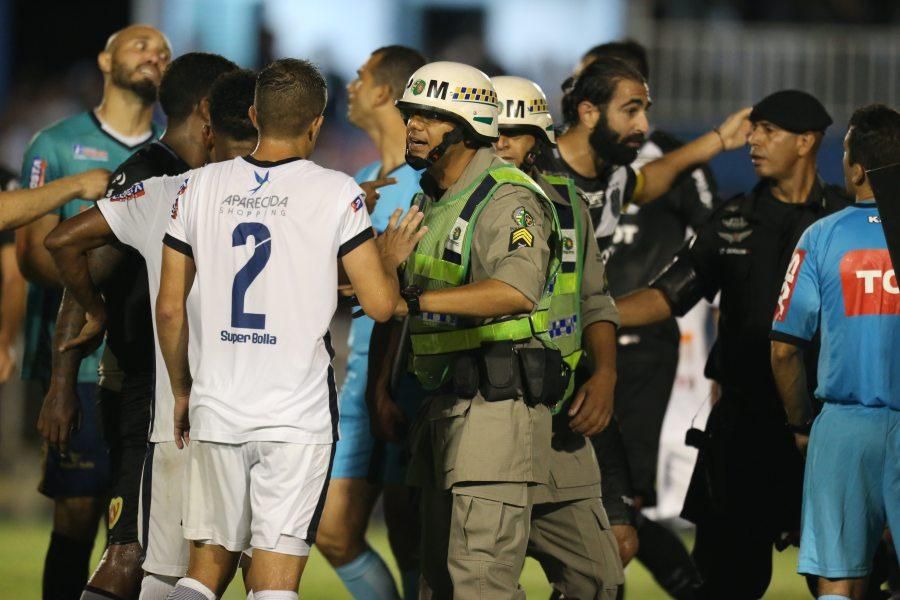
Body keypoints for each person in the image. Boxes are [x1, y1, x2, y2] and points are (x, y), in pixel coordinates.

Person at [156, 58, 423, 600]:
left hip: (217, 407)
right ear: (317, 123)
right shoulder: (338, 192)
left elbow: (169, 308)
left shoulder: (196, 187)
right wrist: (390, 260)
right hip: (296, 419)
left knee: (204, 573)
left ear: (254, 114)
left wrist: (183, 390)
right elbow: (379, 305)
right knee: (274, 582)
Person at [615, 89, 850, 599]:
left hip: (826, 431)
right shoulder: (731, 219)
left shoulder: (848, 221)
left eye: (769, 131)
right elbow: (669, 295)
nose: (753, 140)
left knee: (845, 584)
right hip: (742, 432)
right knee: (725, 585)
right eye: (753, 128)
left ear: (807, 141)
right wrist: (597, 314)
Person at [43, 54, 242, 600]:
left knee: (173, 559)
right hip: (145, 392)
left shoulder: (198, 177)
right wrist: (64, 378)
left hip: (183, 392)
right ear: (207, 110)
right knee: (129, 551)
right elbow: (76, 256)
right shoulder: (152, 175)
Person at [17, 24, 170, 600]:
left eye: (163, 52)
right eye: (140, 46)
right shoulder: (55, 145)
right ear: (106, 60)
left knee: (135, 520)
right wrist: (100, 291)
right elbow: (33, 257)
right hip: (78, 360)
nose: (154, 55)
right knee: (78, 511)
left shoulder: (171, 150)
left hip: (145, 360)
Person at [580, 40, 713, 598]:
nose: (576, 96)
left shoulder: (671, 159)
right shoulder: (573, 163)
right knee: (590, 498)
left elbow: (715, 242)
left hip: (641, 345)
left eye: (589, 84)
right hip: (578, 342)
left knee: (622, 501)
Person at [492, 74, 624, 598]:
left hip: (559, 421)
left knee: (600, 582)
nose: (501, 141)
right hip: (483, 413)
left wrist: (607, 374)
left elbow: (595, 298)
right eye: (492, 129)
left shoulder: (570, 205)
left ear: (539, 141)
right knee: (480, 585)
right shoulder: (445, 202)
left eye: (515, 131)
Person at [771, 104, 900, 600]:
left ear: (857, 168)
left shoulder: (822, 237)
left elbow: (784, 349)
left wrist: (801, 425)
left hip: (845, 428)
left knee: (838, 577)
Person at [315, 45, 426, 600]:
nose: (351, 87)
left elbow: (410, 293)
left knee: (412, 537)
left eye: (360, 78)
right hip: (359, 378)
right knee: (333, 532)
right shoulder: (360, 179)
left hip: (403, 381)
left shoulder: (425, 185)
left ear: (384, 92)